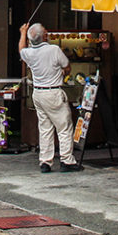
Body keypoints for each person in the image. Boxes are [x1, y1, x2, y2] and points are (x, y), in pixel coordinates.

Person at [18, 23, 82, 173]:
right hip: (53, 93)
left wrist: (23, 32)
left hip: (38, 93)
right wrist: (63, 73)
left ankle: (45, 162)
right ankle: (67, 160)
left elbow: (21, 50)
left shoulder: (29, 53)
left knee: (45, 128)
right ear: (44, 36)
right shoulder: (54, 50)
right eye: (45, 31)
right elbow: (66, 66)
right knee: (64, 127)